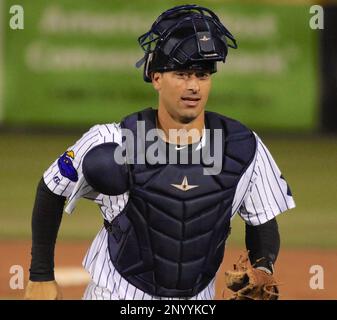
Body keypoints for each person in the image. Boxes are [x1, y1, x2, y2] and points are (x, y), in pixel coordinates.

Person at [24, 4, 295, 300]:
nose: (193, 86)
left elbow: (263, 221)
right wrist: (41, 275)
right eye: (181, 73)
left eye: (202, 75)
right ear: (156, 78)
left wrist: (264, 269)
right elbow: (52, 188)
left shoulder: (242, 147)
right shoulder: (114, 139)